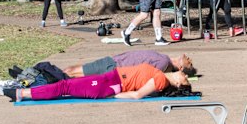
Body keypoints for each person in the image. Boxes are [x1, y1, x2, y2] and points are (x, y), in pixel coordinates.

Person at [0, 63, 190, 102]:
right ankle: (29, 80)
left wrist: (114, 93)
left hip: (107, 85)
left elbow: (137, 95)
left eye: (186, 79)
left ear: (180, 85)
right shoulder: (161, 74)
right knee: (66, 82)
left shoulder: (160, 81)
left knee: (64, 86)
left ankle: (22, 94)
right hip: (108, 79)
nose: (185, 75)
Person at [63, 50, 196, 78]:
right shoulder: (164, 57)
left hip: (113, 67)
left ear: (180, 68)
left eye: (189, 63)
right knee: (74, 71)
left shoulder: (164, 63)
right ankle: (50, 78)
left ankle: (49, 79)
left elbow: (145, 76)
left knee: (74, 72)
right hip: (114, 62)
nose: (189, 58)